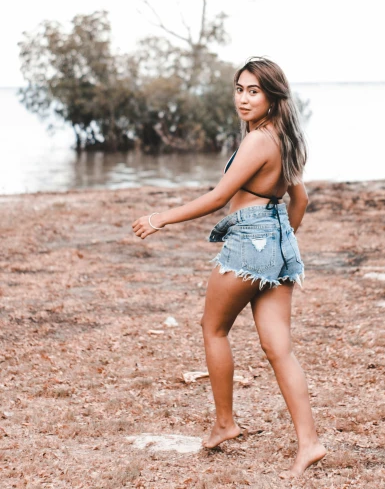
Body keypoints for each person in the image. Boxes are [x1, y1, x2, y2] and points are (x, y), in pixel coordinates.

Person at [132, 56, 326, 479]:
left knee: (213, 327)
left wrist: (159, 218)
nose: (243, 98)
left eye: (254, 91)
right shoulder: (284, 136)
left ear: (273, 96)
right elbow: (301, 201)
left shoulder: (258, 141)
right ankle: (309, 442)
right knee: (280, 349)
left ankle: (225, 423)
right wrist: (279, 243)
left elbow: (220, 197)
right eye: (239, 89)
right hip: (277, 243)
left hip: (248, 243)